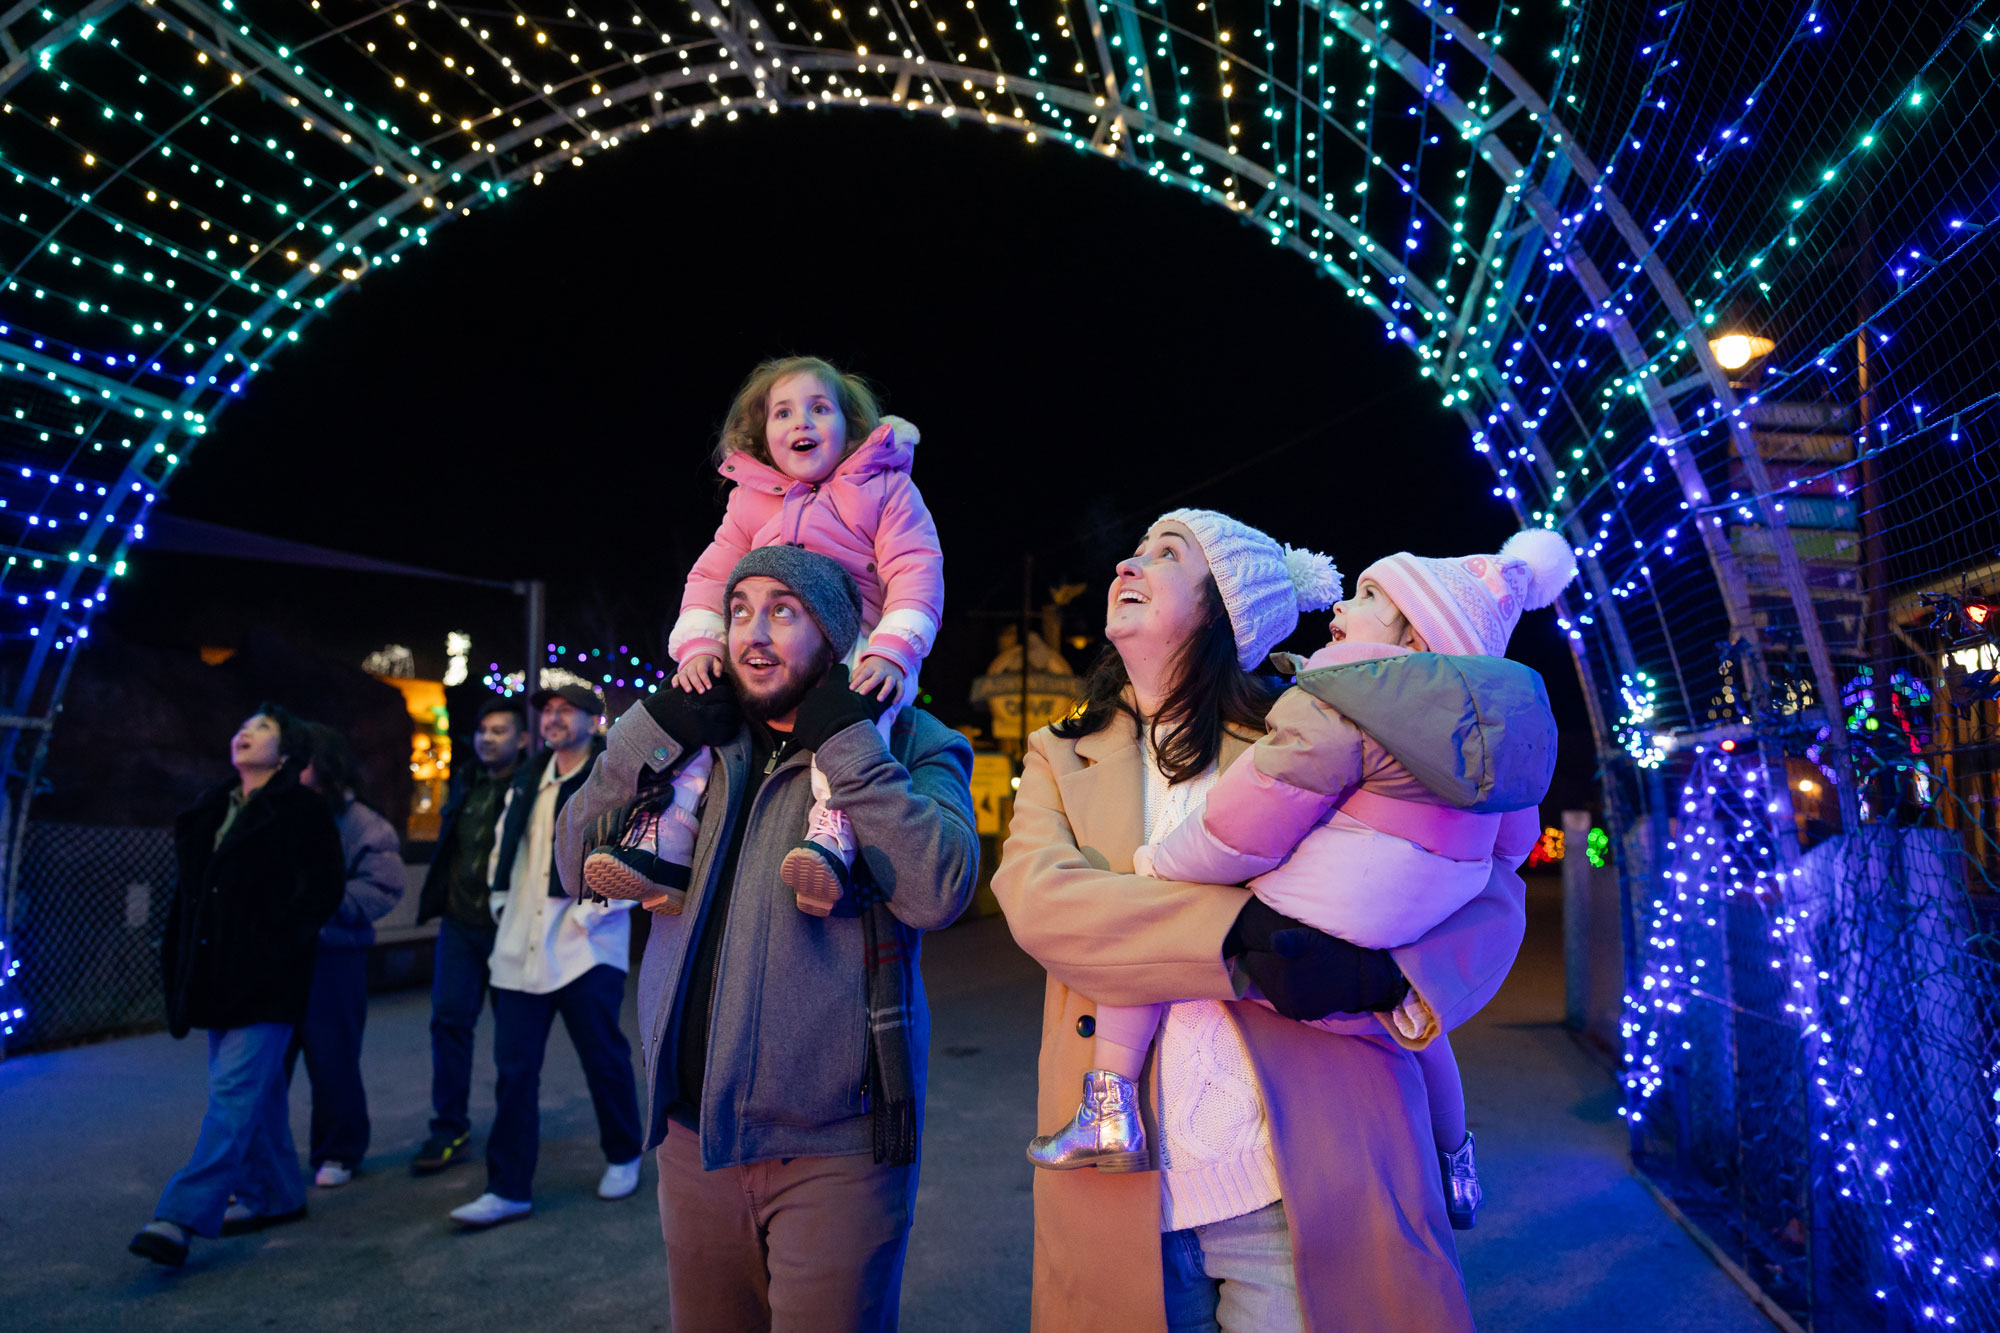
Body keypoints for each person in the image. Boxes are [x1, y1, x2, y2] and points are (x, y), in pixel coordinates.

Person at [990, 512, 1544, 1332]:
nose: (1127, 563)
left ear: (1224, 607)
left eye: (1165, 553)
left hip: (1309, 1173)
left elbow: (1485, 877)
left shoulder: (1324, 720)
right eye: (1136, 549)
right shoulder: (1056, 753)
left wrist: (1389, 975)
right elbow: (1043, 901)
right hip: (1128, 1199)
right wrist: (1237, 939)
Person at [556, 546, 978, 1332]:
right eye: (739, 608)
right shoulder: (695, 747)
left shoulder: (912, 737)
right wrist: (649, 730)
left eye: (783, 611)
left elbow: (941, 886)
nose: (752, 632)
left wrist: (850, 743)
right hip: (693, 1139)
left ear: (834, 632)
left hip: (836, 1153)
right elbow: (573, 858)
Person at [588, 356, 941, 917]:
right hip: (766, 642)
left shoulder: (883, 486)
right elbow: (710, 575)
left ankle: (831, 839)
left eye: (818, 408)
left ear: (849, 428)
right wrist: (701, 644)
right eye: (783, 412)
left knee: (851, 715)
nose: (801, 422)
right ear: (764, 434)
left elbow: (915, 568)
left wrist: (895, 649)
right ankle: (667, 839)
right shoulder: (751, 500)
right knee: (701, 705)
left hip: (858, 638)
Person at [130, 704, 345, 1268]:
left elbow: (323, 888)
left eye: (263, 729)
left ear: (287, 750)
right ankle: (275, 1194)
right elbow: (192, 900)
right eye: (243, 727)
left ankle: (180, 1214)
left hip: (267, 979)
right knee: (258, 1094)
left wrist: (278, 942)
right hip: (216, 976)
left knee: (231, 1095)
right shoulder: (214, 808)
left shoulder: (301, 811)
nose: (245, 734)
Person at [447, 683, 643, 1229]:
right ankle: (508, 1188)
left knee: (602, 1057)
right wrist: (499, 896)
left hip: (585, 945)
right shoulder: (531, 776)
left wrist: (593, 913)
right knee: (513, 1072)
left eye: (565, 710)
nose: (553, 719)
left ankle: (624, 1152)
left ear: (591, 721)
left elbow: (631, 848)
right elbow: (506, 844)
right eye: (548, 711)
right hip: (521, 941)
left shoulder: (609, 774)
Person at [411, 695, 529, 1175]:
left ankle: (512, 1127)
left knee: (514, 1037)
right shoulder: (463, 782)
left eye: (500, 731)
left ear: (523, 741)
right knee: (449, 1024)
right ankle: (448, 1128)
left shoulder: (532, 788)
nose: (488, 738)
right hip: (460, 927)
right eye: (484, 730)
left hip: (510, 926)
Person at [288, 722, 407, 1188]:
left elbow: (382, 886)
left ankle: (339, 1149)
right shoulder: (279, 812)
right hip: (278, 956)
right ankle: (258, 1158)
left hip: (333, 955)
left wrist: (313, 909)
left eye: (302, 760)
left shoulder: (362, 823)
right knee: (265, 1063)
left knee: (331, 1057)